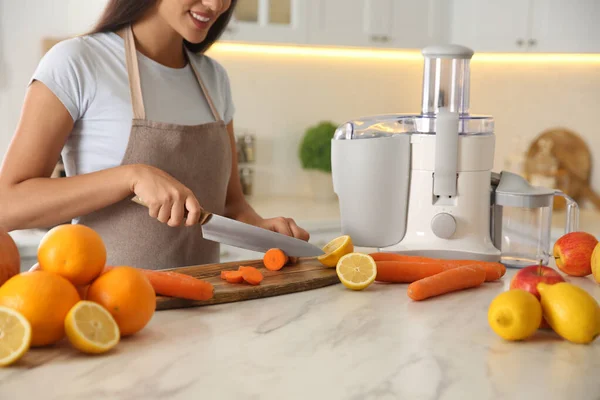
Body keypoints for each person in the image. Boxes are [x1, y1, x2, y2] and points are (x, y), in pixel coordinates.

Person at [0, 0, 310, 270]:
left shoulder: (213, 79)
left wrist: (263, 229)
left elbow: (230, 205)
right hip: (110, 315)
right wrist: (131, 176)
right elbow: (9, 205)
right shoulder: (78, 62)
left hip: (205, 314)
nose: (216, 4)